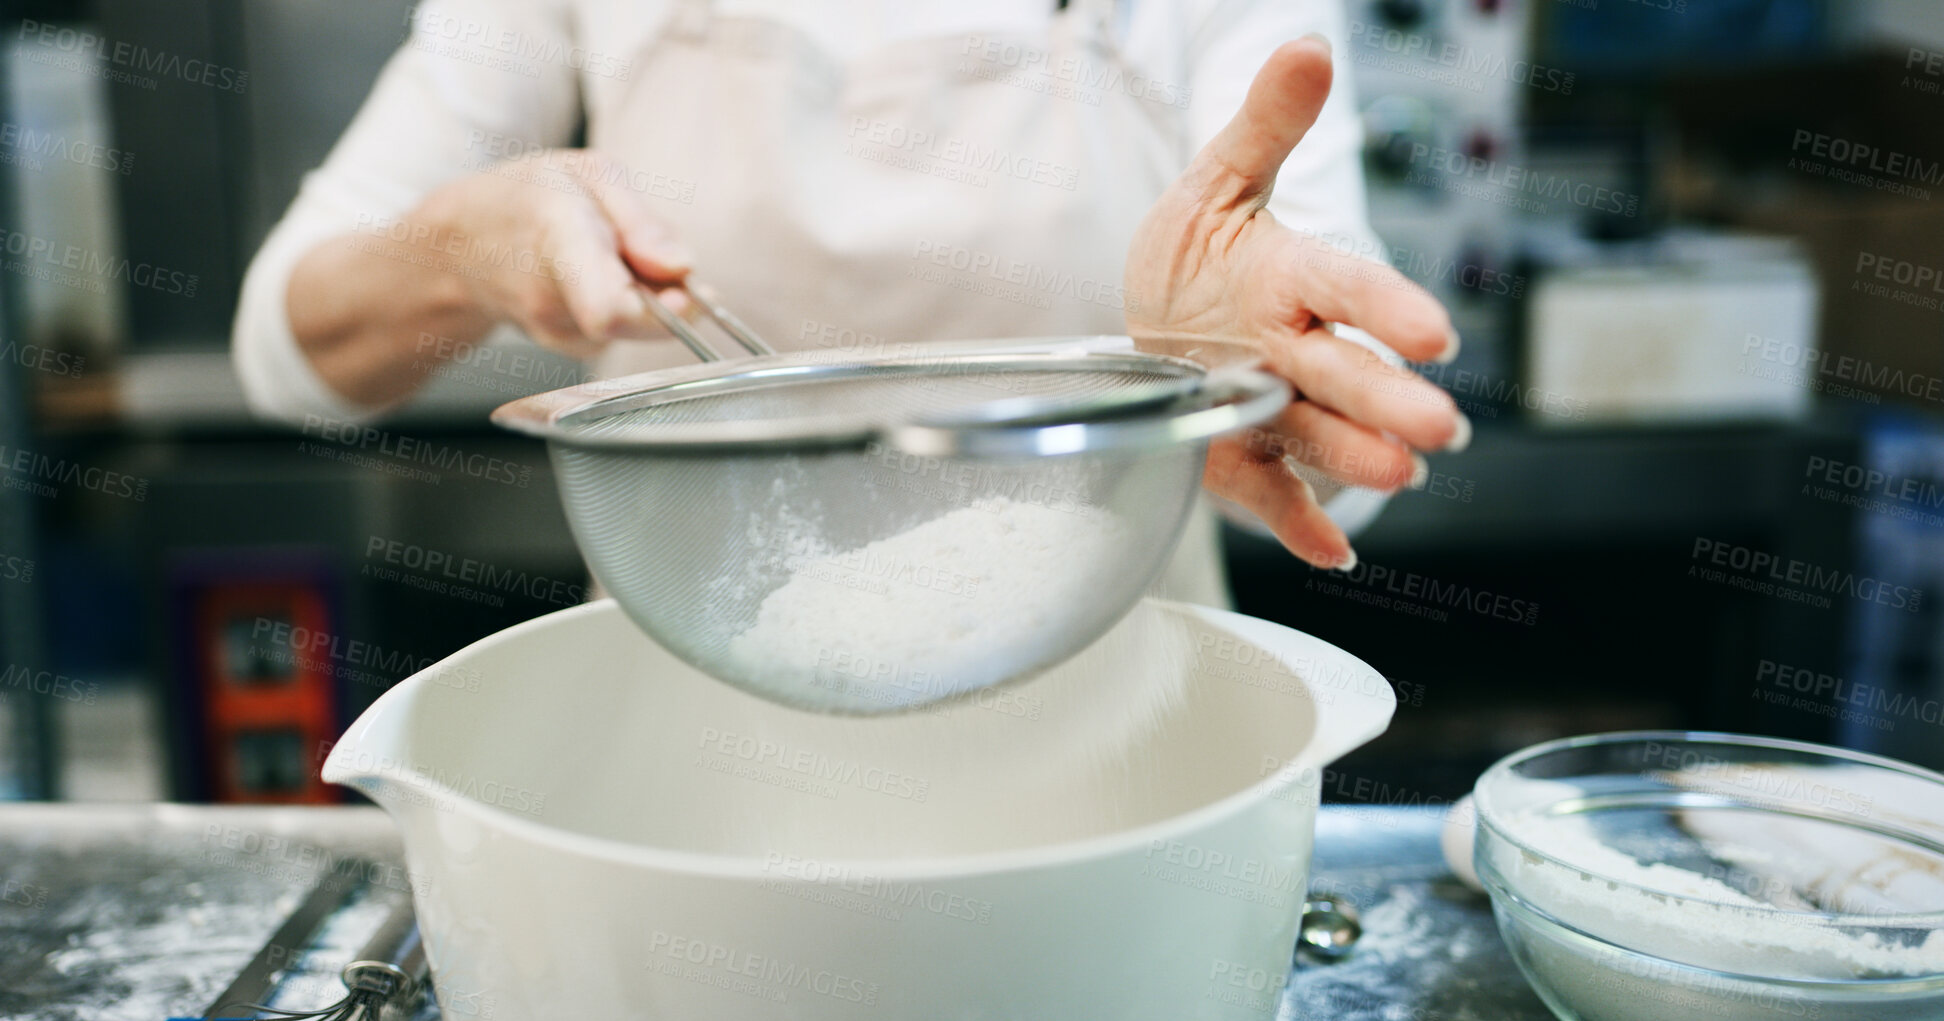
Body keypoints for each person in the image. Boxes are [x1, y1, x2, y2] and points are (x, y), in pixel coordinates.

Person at [232, 0, 1466, 607]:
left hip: (1113, 707)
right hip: (704, 714)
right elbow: (287, 351)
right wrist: (451, 249)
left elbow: (1355, 445)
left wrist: (1259, 373)